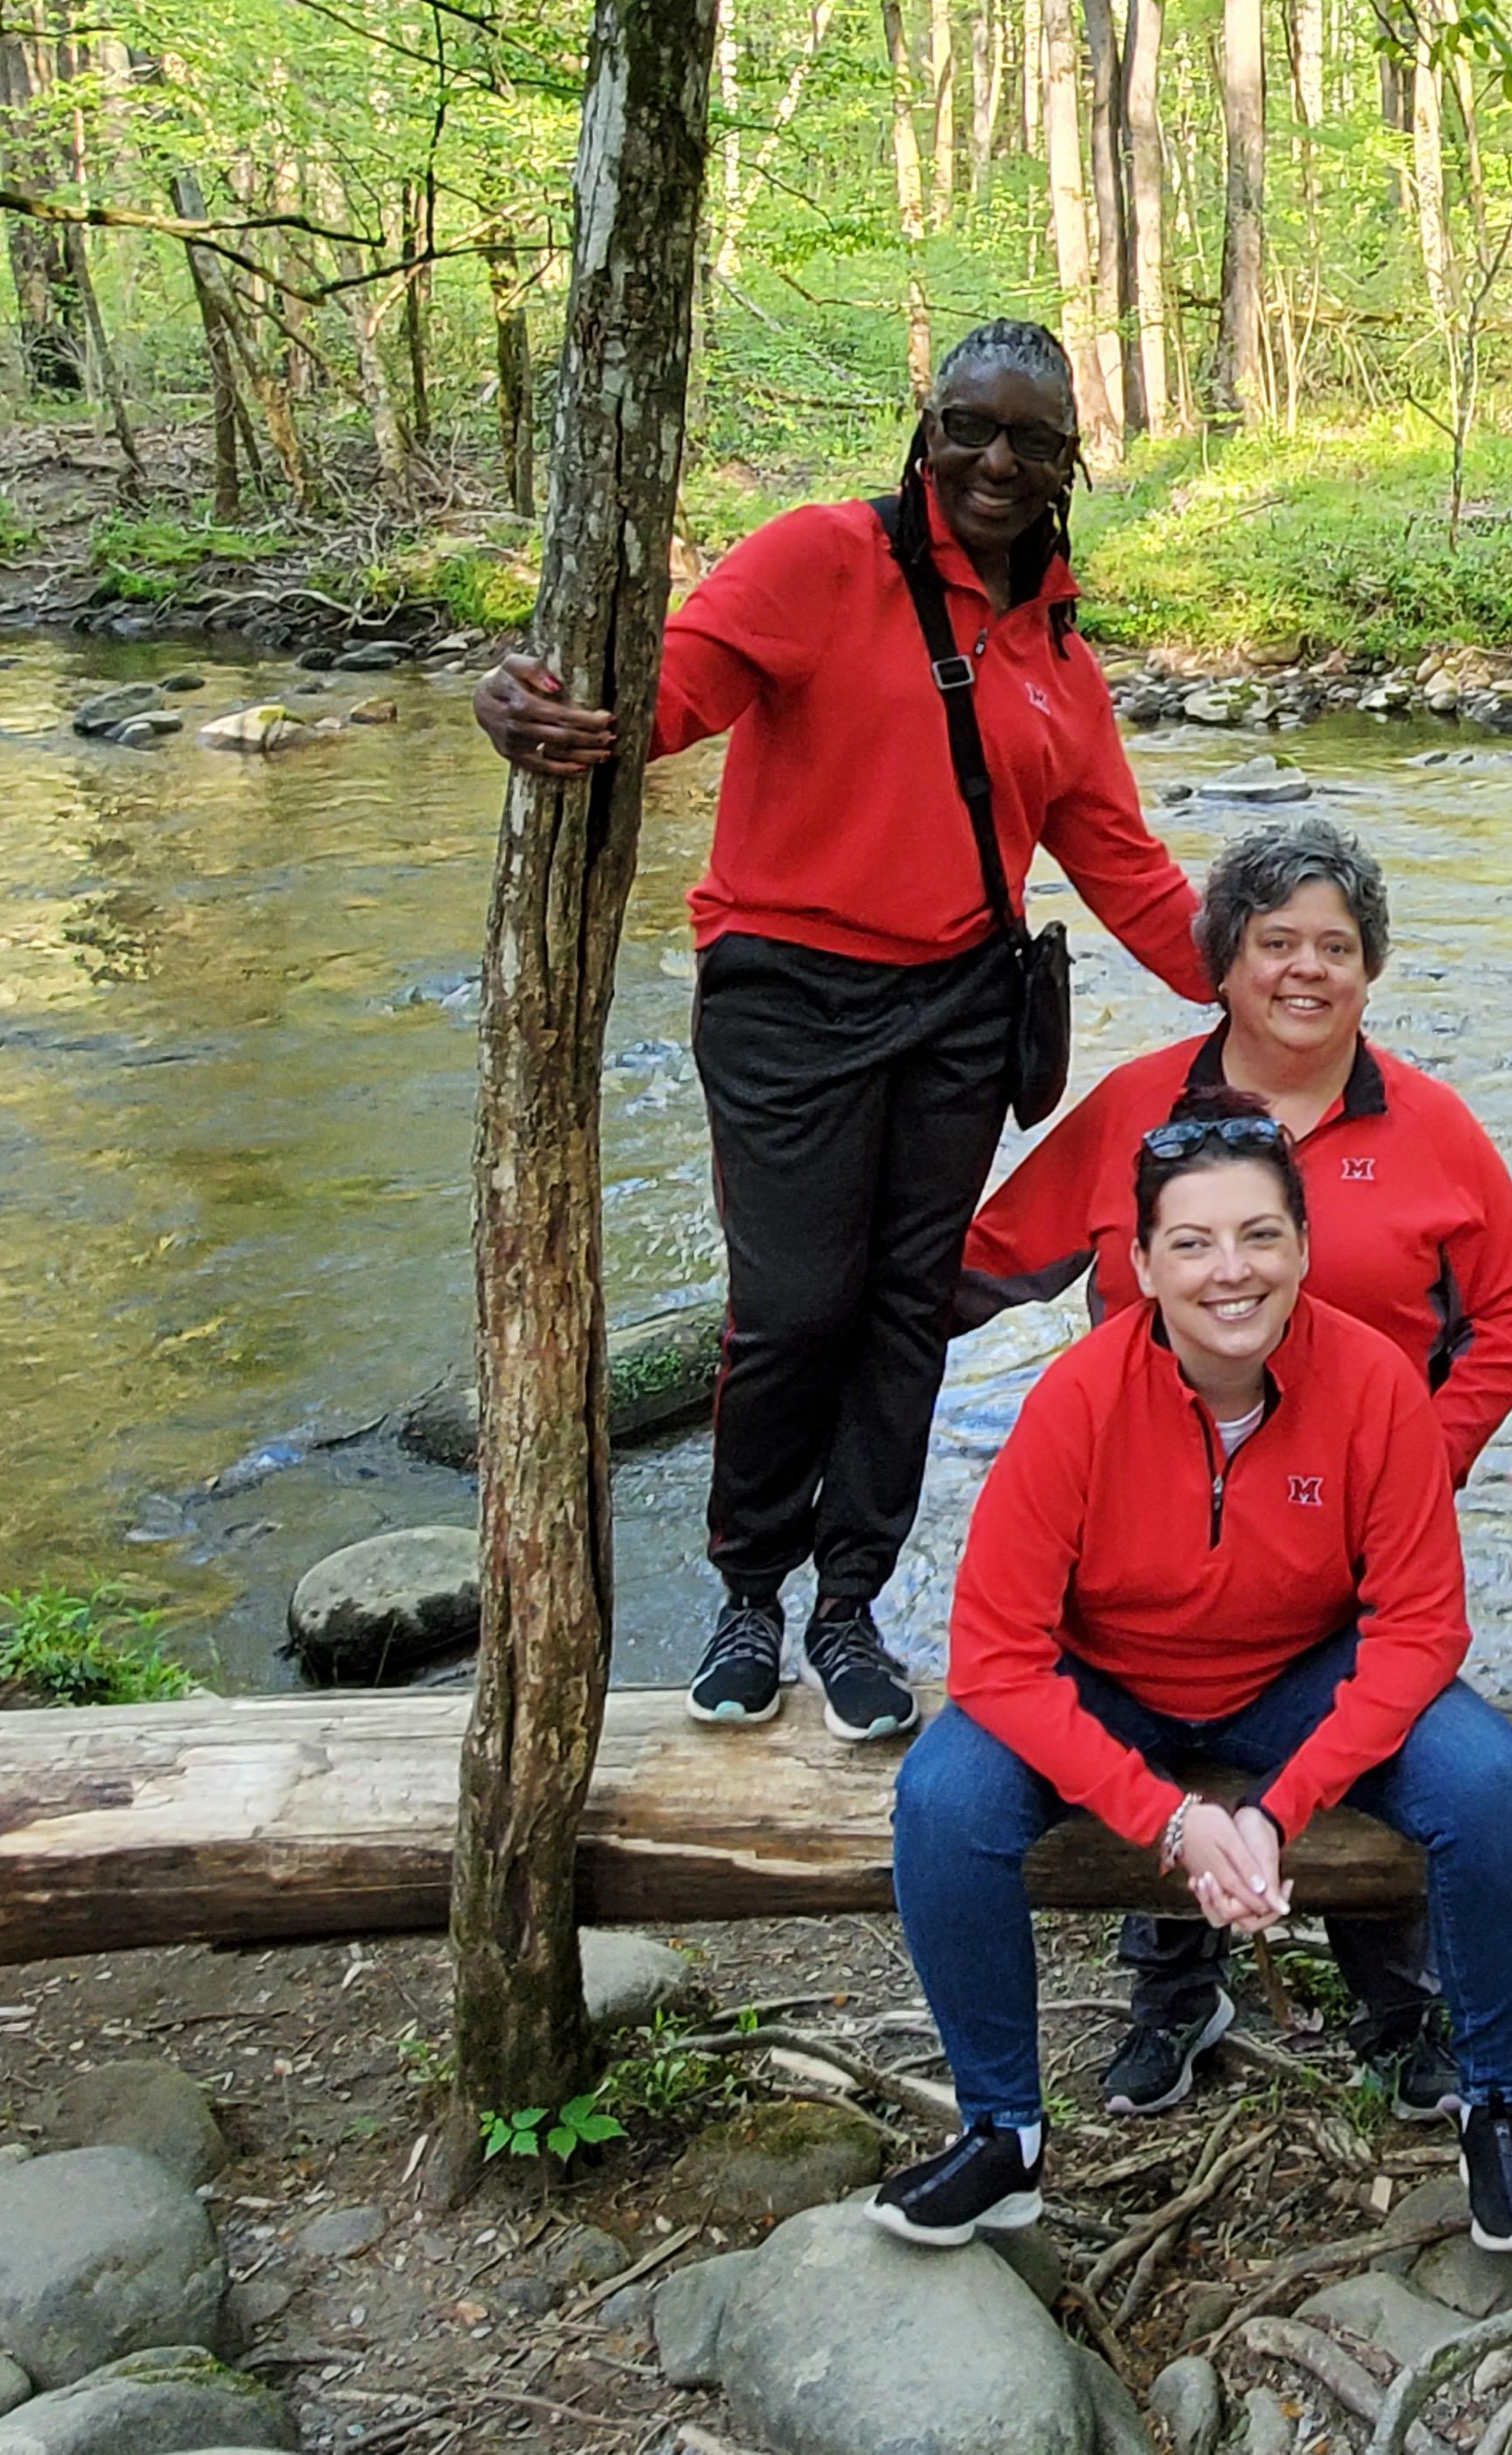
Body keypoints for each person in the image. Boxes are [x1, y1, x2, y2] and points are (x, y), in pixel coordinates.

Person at [473, 319, 1216, 1743]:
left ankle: (850, 1604)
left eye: (1032, 440)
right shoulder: (823, 557)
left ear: (1069, 462)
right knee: (798, 1305)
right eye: (969, 426)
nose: (995, 461)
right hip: (788, 998)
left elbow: (1121, 862)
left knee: (904, 1312)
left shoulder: (1058, 648)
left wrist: (1260, 983)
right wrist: (532, 705)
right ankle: (751, 1593)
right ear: (927, 430)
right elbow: (663, 694)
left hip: (960, 1013)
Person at [875, 1097, 1512, 2256]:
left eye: (1260, 1236)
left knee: (1489, 1780)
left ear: (1304, 1247)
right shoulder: (1075, 1405)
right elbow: (996, 1658)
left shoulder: (1375, 1386)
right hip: (1109, 1677)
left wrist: (1274, 1812)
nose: (1231, 1272)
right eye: (1193, 1243)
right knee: (944, 1800)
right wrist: (1171, 1821)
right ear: (1144, 1265)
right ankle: (1003, 2135)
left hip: (1302, 1672)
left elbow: (1418, 1632)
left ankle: (1498, 2107)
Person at [959, 818, 1512, 2121]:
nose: (1305, 971)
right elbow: (991, 1262)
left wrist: (1419, 1461)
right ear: (1223, 962)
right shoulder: (1135, 1108)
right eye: (1276, 943)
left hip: (1345, 1542)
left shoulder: (1434, 1129)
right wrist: (837, 1327)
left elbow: (1510, 1318)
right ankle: (1175, 1994)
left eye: (1336, 946)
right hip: (1147, 1543)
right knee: (1146, 1705)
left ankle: (1395, 2016)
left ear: (1370, 968)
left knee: (1383, 1733)